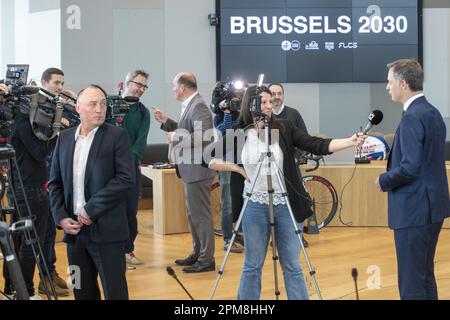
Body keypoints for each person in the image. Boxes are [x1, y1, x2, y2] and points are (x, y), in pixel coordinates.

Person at [207, 85, 366, 299]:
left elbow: (315, 144)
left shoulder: (284, 128)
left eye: (270, 101)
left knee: (292, 264)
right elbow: (207, 157)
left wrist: (349, 141)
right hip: (254, 205)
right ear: (250, 105)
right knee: (252, 265)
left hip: (286, 205)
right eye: (262, 102)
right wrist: (237, 169)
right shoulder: (240, 132)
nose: (268, 106)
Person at [49, 85, 134, 300]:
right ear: (77, 108)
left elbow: (125, 180)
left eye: (103, 104)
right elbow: (55, 183)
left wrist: (90, 210)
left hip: (108, 233)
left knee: (115, 293)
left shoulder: (117, 136)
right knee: (81, 292)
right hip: (75, 235)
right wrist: (61, 218)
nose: (99, 109)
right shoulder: (64, 138)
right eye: (92, 104)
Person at [375, 59, 450, 300]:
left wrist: (384, 180)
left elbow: (410, 167)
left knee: (410, 283)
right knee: (425, 276)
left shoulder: (411, 117)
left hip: (413, 211)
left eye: (389, 82)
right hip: (433, 209)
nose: (387, 87)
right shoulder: (434, 113)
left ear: (403, 83)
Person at [152, 72, 216, 273]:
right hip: (190, 170)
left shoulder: (199, 106)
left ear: (183, 87)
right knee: (193, 215)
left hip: (198, 170)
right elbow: (185, 129)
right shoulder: (191, 105)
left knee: (201, 216)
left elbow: (202, 138)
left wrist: (175, 137)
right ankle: (198, 253)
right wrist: (166, 122)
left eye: (174, 86)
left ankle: (206, 260)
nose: (172, 89)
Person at [5, 88, 57, 299]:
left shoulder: (19, 123)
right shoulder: (24, 124)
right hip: (30, 190)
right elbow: (40, 152)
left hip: (21, 188)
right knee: (30, 244)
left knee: (16, 242)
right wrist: (56, 133)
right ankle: (25, 291)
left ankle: (12, 288)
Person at [38, 67, 72, 296]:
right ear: (44, 82)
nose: (60, 87)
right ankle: (43, 279)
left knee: (50, 231)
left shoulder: (56, 105)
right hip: (40, 176)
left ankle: (50, 272)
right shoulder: (36, 108)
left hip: (52, 175)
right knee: (41, 233)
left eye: (62, 83)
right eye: (56, 83)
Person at [269, 82, 310, 247]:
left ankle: (298, 233)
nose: (277, 97)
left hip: (290, 169)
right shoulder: (263, 115)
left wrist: (296, 158)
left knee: (296, 199)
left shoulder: (293, 114)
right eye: (273, 94)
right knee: (273, 202)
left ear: (283, 95)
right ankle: (274, 236)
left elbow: (304, 139)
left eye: (280, 93)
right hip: (269, 169)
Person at [120, 70, 151, 266]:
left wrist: (128, 161)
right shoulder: (110, 105)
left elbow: (141, 141)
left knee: (130, 212)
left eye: (144, 86)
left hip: (130, 169)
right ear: (126, 82)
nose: (140, 89)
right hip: (109, 169)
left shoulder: (143, 112)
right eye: (138, 84)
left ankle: (128, 250)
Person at [213, 99, 243, 253]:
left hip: (241, 162)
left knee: (242, 199)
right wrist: (226, 111)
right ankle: (227, 240)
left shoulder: (241, 114)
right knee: (228, 203)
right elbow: (225, 128)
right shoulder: (218, 116)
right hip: (225, 163)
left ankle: (239, 234)